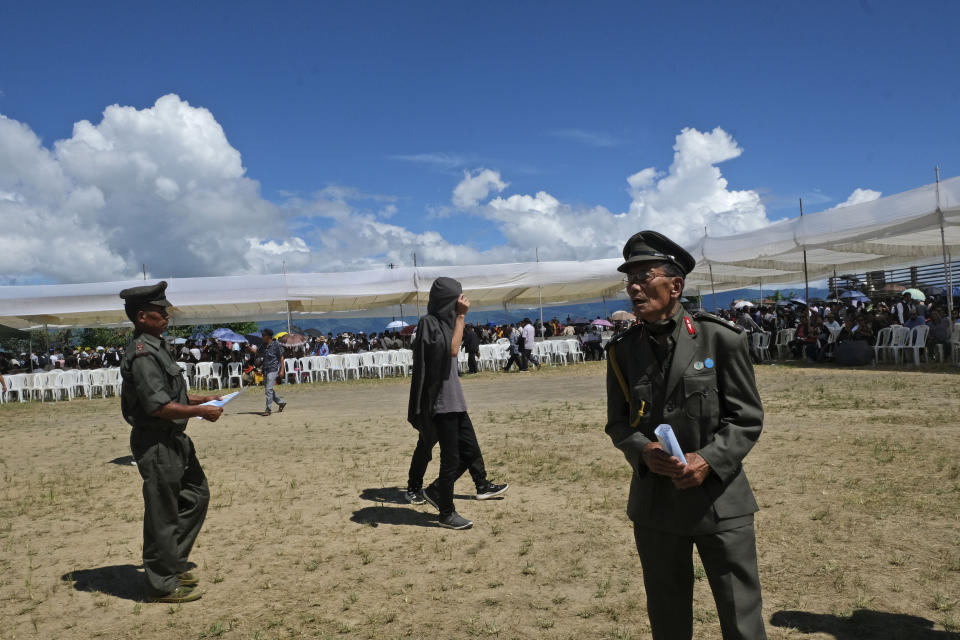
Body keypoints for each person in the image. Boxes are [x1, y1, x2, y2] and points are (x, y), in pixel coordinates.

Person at [604, 231, 767, 640]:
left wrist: (708, 459)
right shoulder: (622, 350)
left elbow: (746, 417)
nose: (634, 287)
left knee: (741, 618)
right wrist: (643, 452)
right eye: (630, 279)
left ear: (675, 285)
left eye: (645, 276)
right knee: (667, 617)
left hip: (720, 501)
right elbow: (618, 423)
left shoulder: (720, 338)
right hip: (656, 507)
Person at [118, 281, 224, 604]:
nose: (166, 316)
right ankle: (160, 584)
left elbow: (171, 395)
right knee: (162, 512)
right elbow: (158, 407)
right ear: (141, 317)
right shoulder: (142, 355)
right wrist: (200, 412)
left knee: (196, 495)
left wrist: (202, 398)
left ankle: (169, 563)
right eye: (159, 312)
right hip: (157, 441)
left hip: (174, 438)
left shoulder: (157, 346)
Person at [406, 277, 508, 529]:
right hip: (441, 402)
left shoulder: (445, 323)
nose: (460, 304)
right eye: (456, 299)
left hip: (455, 400)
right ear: (446, 301)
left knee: (470, 453)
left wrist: (457, 320)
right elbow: (451, 350)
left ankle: (436, 491)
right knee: (450, 459)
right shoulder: (428, 323)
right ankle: (446, 513)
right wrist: (461, 318)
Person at [260, 329, 287, 416]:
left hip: (273, 369)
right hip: (265, 370)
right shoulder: (263, 346)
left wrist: (282, 370)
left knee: (268, 390)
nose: (262, 337)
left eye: (263, 336)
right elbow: (257, 353)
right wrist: (248, 347)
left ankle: (268, 410)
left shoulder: (276, 345)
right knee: (269, 390)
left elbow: (282, 356)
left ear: (268, 336)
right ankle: (281, 402)